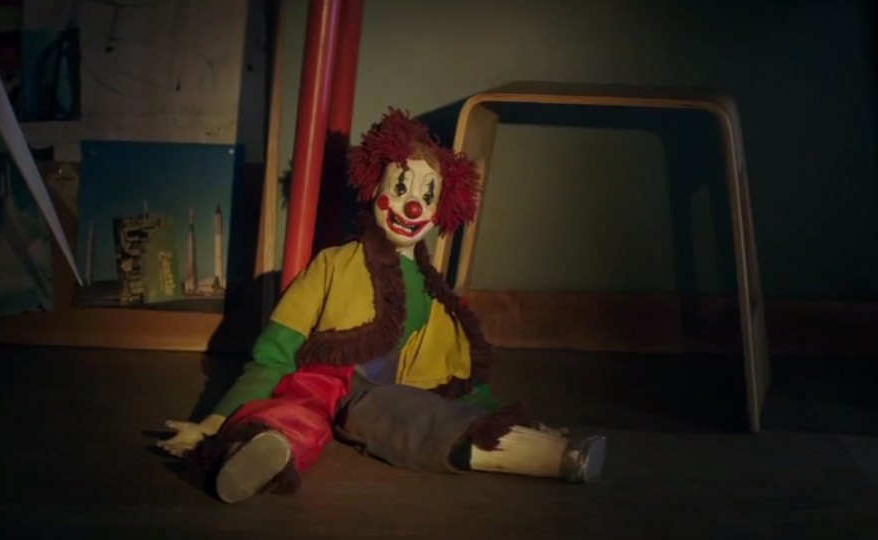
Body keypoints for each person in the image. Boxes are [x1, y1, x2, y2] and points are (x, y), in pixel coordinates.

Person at [157, 108, 607, 503]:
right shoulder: (332, 264)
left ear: (439, 210)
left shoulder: (435, 297)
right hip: (323, 374)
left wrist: (497, 418)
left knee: (412, 417)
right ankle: (259, 448)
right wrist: (215, 420)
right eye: (402, 187)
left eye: (426, 196)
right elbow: (275, 351)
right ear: (376, 187)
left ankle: (543, 455)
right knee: (299, 408)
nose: (412, 206)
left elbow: (458, 375)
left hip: (381, 394)